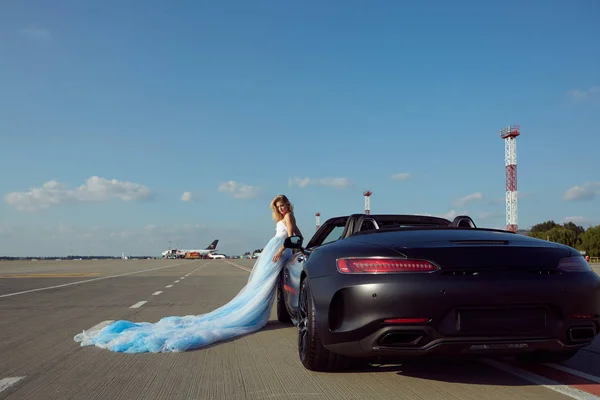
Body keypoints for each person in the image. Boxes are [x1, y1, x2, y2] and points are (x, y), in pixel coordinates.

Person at [73, 194, 303, 353]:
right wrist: (286, 248)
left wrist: (286, 248)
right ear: (277, 208)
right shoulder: (286, 218)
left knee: (263, 286)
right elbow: (293, 237)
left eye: (283, 205)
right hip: (277, 250)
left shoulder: (288, 217)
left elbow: (293, 237)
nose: (281, 208)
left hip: (278, 249)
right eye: (278, 206)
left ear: (288, 205)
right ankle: (255, 314)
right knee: (263, 286)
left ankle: (256, 313)